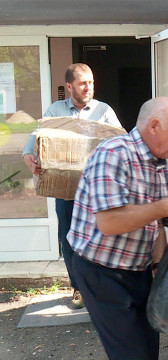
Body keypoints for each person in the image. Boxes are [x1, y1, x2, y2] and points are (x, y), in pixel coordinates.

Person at [67, 97, 168, 360]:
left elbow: (155, 225)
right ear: (154, 126)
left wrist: (159, 269)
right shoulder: (113, 154)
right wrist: (165, 207)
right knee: (131, 354)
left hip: (138, 270)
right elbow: (109, 222)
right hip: (101, 271)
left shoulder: (159, 164)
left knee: (148, 351)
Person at [22, 63, 122, 309]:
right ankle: (78, 288)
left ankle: (100, 288)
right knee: (69, 240)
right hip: (65, 191)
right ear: (69, 87)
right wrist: (29, 157)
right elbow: (34, 140)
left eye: (91, 83)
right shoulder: (56, 110)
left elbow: (122, 141)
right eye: (82, 83)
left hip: (97, 192)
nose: (88, 88)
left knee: (101, 238)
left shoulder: (103, 111)